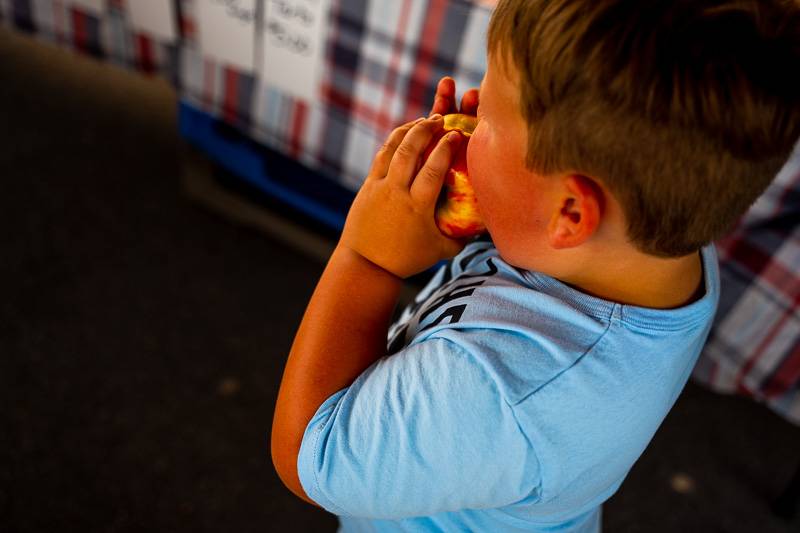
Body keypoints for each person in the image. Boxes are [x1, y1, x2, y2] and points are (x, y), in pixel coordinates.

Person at [271, 0, 800, 530]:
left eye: (491, 124)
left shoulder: (496, 388)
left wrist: (368, 257)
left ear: (569, 214)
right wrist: (505, 200)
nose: (469, 126)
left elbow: (305, 460)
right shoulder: (661, 246)